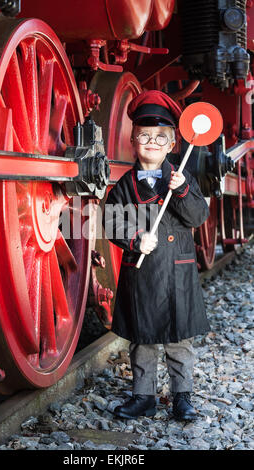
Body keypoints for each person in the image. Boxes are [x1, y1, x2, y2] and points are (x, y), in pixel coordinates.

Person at [102, 90, 210, 421]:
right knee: (142, 340)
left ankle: (182, 398)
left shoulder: (181, 178)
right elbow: (110, 221)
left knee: (179, 342)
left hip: (177, 273)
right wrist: (135, 239)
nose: (152, 141)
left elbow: (198, 216)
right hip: (142, 273)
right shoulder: (123, 186)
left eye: (160, 137)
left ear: (172, 143)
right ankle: (143, 397)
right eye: (145, 135)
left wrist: (181, 190)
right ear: (133, 139)